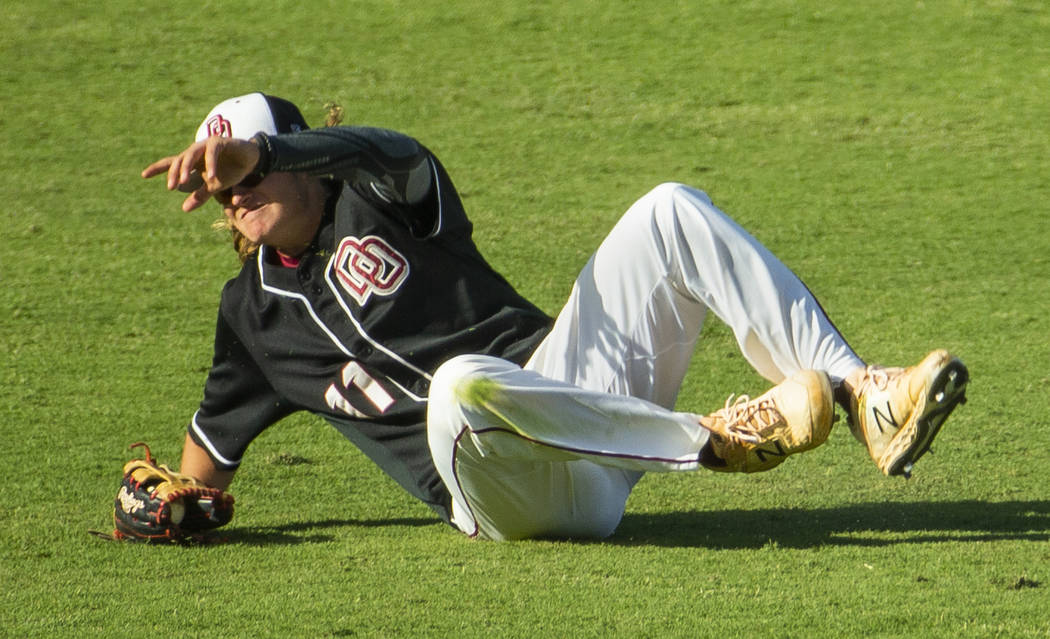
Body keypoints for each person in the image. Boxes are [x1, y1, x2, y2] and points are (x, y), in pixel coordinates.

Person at [141, 92, 969, 541]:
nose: (235, 186)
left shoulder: (380, 196)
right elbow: (202, 467)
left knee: (669, 209)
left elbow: (391, 149)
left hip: (575, 394)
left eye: (245, 162)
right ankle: (712, 437)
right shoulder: (250, 316)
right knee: (461, 389)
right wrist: (163, 502)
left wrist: (274, 152)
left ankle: (868, 396)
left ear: (305, 160)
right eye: (222, 176)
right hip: (505, 492)